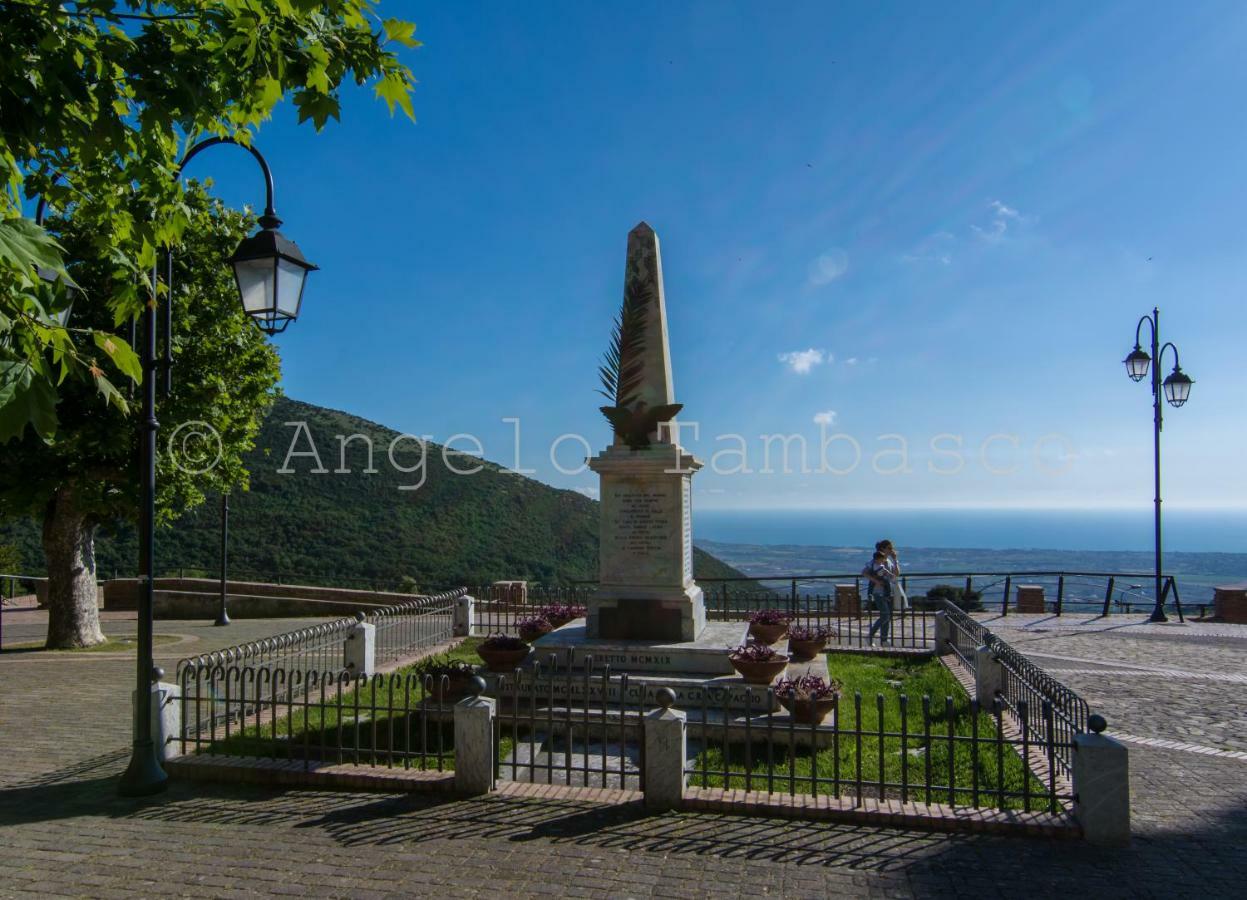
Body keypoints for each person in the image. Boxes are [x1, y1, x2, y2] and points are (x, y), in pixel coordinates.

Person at [866, 549, 895, 646]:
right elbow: (866, 572)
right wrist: (877, 581)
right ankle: (871, 635)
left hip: (883, 592)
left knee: (886, 616)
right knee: (885, 615)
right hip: (878, 592)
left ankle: (883, 639)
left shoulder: (885, 562)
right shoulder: (873, 564)